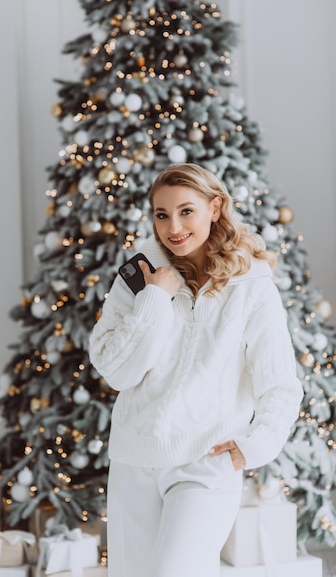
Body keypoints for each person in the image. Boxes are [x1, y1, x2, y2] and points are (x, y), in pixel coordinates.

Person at [89, 163, 303, 577]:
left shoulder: (251, 284)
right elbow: (118, 372)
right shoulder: (140, 277)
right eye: (162, 214)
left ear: (215, 207)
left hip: (206, 460)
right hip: (135, 458)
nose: (174, 227)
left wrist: (257, 443)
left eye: (187, 211)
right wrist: (154, 297)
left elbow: (279, 382)